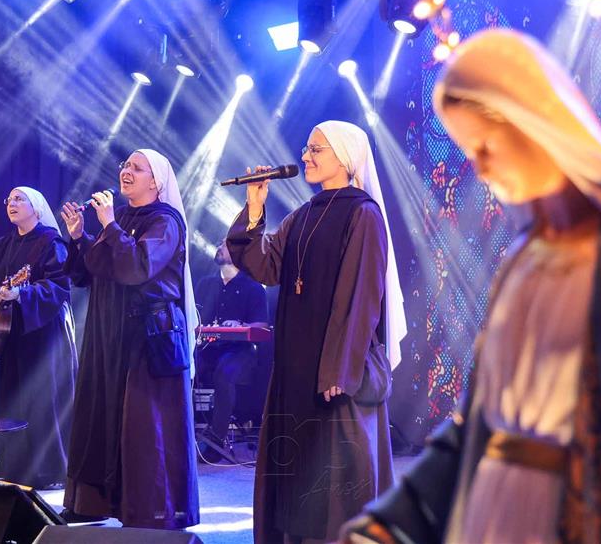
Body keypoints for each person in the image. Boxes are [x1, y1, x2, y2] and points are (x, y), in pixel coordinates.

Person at [341, 29, 601, 543]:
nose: (480, 168)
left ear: (534, 125)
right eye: (468, 151)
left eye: (485, 145)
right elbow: (476, 430)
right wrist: (387, 526)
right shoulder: (524, 264)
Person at [226, 120, 406, 544]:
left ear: (344, 157)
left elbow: (360, 295)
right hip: (297, 363)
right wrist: (254, 210)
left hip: (337, 367)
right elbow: (266, 266)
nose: (305, 156)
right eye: (306, 149)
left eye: (316, 150)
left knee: (336, 473)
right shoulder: (302, 216)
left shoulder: (363, 214)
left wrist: (340, 368)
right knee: (296, 471)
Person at [60, 149, 199, 529]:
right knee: (98, 417)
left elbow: (137, 267)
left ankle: (149, 508)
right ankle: (92, 503)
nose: (126, 171)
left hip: (147, 336)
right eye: (126, 165)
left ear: (156, 181)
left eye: (137, 168)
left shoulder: (165, 221)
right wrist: (79, 237)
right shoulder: (121, 218)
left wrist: (108, 225)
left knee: (141, 425)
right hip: (109, 332)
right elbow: (92, 271)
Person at [0, 186, 77, 488]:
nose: (11, 203)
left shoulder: (51, 241)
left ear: (37, 207)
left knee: (43, 400)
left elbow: (59, 286)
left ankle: (49, 471)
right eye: (9, 200)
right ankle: (16, 468)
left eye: (19, 199)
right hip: (12, 332)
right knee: (14, 398)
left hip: (44, 333)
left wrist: (22, 294)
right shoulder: (5, 243)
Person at [194, 242, 269, 459]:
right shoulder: (206, 284)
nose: (219, 246)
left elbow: (262, 325)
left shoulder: (253, 287)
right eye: (218, 243)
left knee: (224, 372)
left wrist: (240, 325)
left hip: (240, 351)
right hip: (208, 348)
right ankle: (181, 432)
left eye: (224, 245)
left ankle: (216, 440)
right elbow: (195, 317)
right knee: (184, 368)